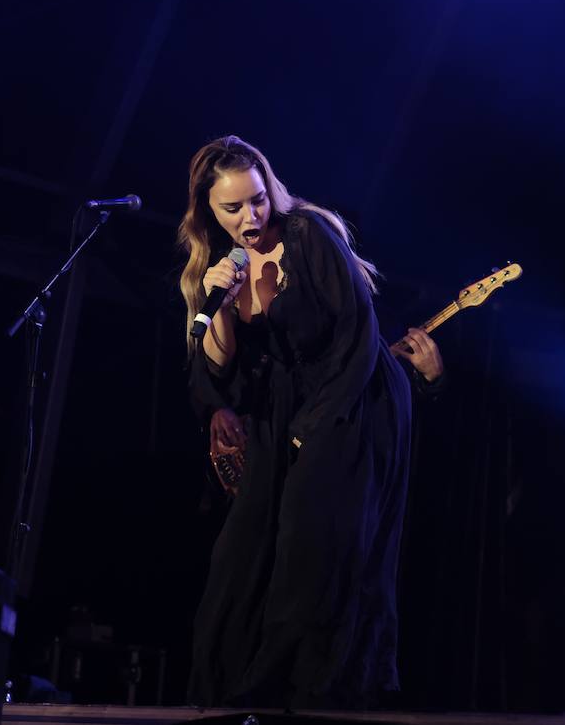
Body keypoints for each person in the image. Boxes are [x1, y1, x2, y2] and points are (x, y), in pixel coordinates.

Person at [178, 135, 413, 708]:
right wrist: (226, 308)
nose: (249, 216)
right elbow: (214, 376)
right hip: (281, 411)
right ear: (208, 209)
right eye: (231, 208)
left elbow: (357, 333)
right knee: (240, 552)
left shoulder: (309, 235)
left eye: (256, 200)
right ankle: (227, 696)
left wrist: (318, 426)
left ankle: (308, 694)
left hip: (354, 397)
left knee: (316, 542)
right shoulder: (214, 268)